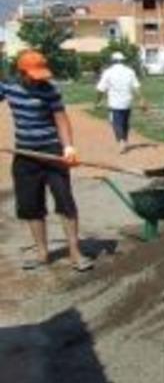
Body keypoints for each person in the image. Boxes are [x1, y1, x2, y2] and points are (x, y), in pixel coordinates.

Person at [0, 50, 92, 271]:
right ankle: (42, 254)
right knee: (31, 206)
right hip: (25, 154)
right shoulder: (9, 87)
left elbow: (61, 120)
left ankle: (75, 253)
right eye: (33, 75)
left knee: (65, 202)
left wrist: (68, 147)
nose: (39, 79)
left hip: (52, 152)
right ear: (21, 73)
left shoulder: (50, 91)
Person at [95, 52, 148, 153]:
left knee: (116, 123)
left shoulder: (108, 72)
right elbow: (136, 87)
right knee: (125, 122)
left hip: (114, 103)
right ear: (123, 60)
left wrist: (98, 101)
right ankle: (125, 140)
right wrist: (141, 99)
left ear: (112, 60)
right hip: (127, 102)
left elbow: (100, 89)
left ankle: (121, 141)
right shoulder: (130, 71)